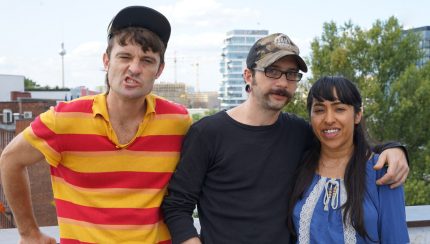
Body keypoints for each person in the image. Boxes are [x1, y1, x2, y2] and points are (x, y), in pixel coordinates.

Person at [161, 33, 409, 244]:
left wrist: (395, 149)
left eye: (291, 74)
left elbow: (344, 142)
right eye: (272, 71)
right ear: (248, 76)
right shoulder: (208, 133)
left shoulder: (299, 132)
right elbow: (177, 206)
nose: (282, 82)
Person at [0, 6, 191, 244]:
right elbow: (10, 160)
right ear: (106, 60)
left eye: (147, 60)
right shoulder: (63, 120)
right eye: (124, 57)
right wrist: (28, 233)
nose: (134, 68)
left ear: (159, 70)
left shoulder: (178, 122)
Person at [288, 76, 409, 243]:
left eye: (339, 109)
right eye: (319, 110)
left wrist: (397, 149)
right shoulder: (299, 165)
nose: (329, 119)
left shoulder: (382, 170)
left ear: (357, 115)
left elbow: (396, 239)